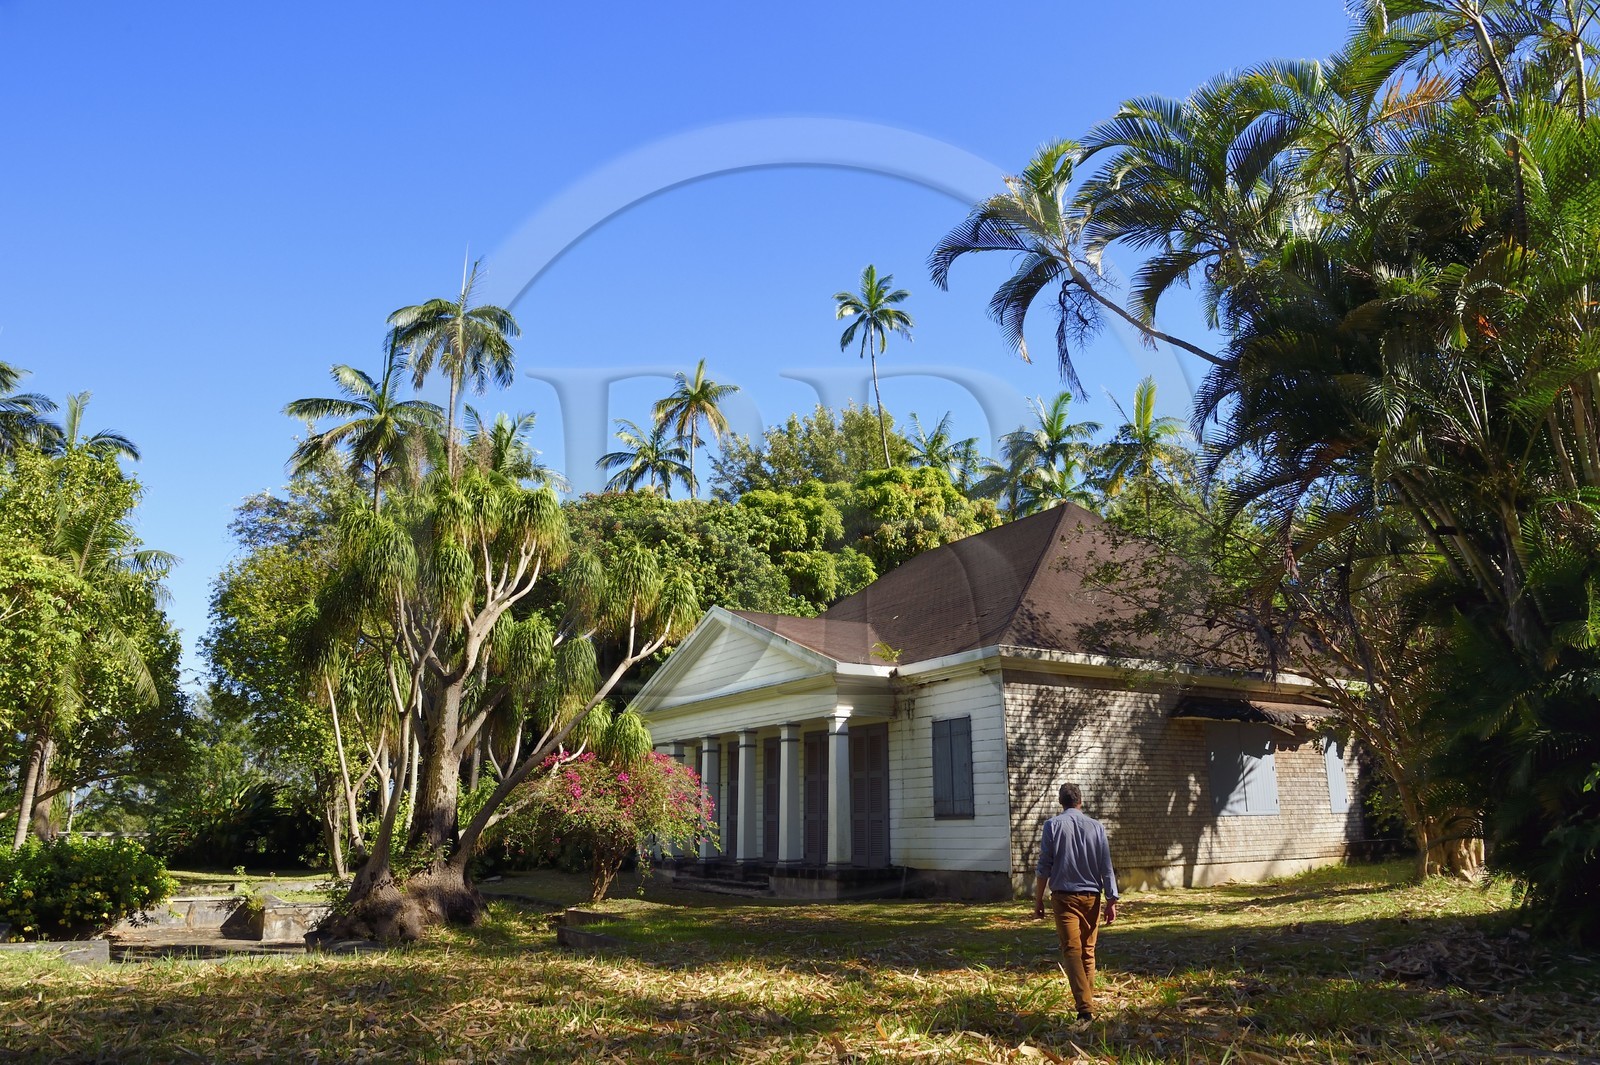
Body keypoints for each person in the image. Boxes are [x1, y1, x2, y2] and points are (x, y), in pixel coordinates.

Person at [1032, 782, 1119, 1022]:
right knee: (1087, 952)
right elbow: (1106, 866)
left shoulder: (1052, 826)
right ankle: (1087, 1002)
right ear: (1080, 801)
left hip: (1064, 897)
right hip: (1092, 897)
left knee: (1072, 951)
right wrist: (1112, 899)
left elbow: (1044, 866)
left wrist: (1038, 899)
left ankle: (1085, 1010)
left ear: (1061, 802)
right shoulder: (1097, 827)